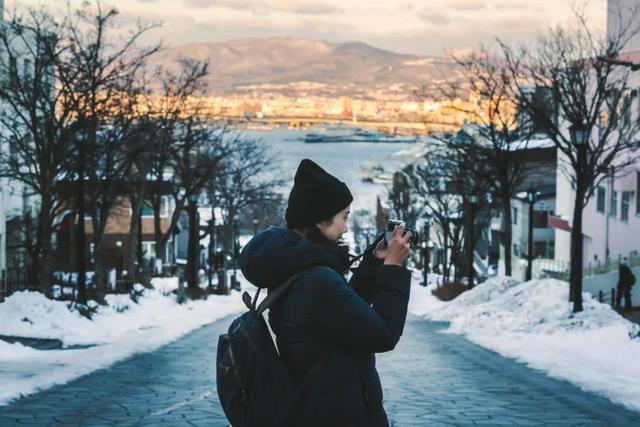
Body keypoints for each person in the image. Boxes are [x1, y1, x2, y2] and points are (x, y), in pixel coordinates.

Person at [239, 159, 411, 426]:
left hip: (319, 409)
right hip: (337, 415)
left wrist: (373, 263)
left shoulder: (302, 270)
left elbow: (342, 314)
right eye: (344, 217)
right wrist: (394, 268)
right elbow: (383, 334)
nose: (345, 226)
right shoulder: (316, 280)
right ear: (320, 220)